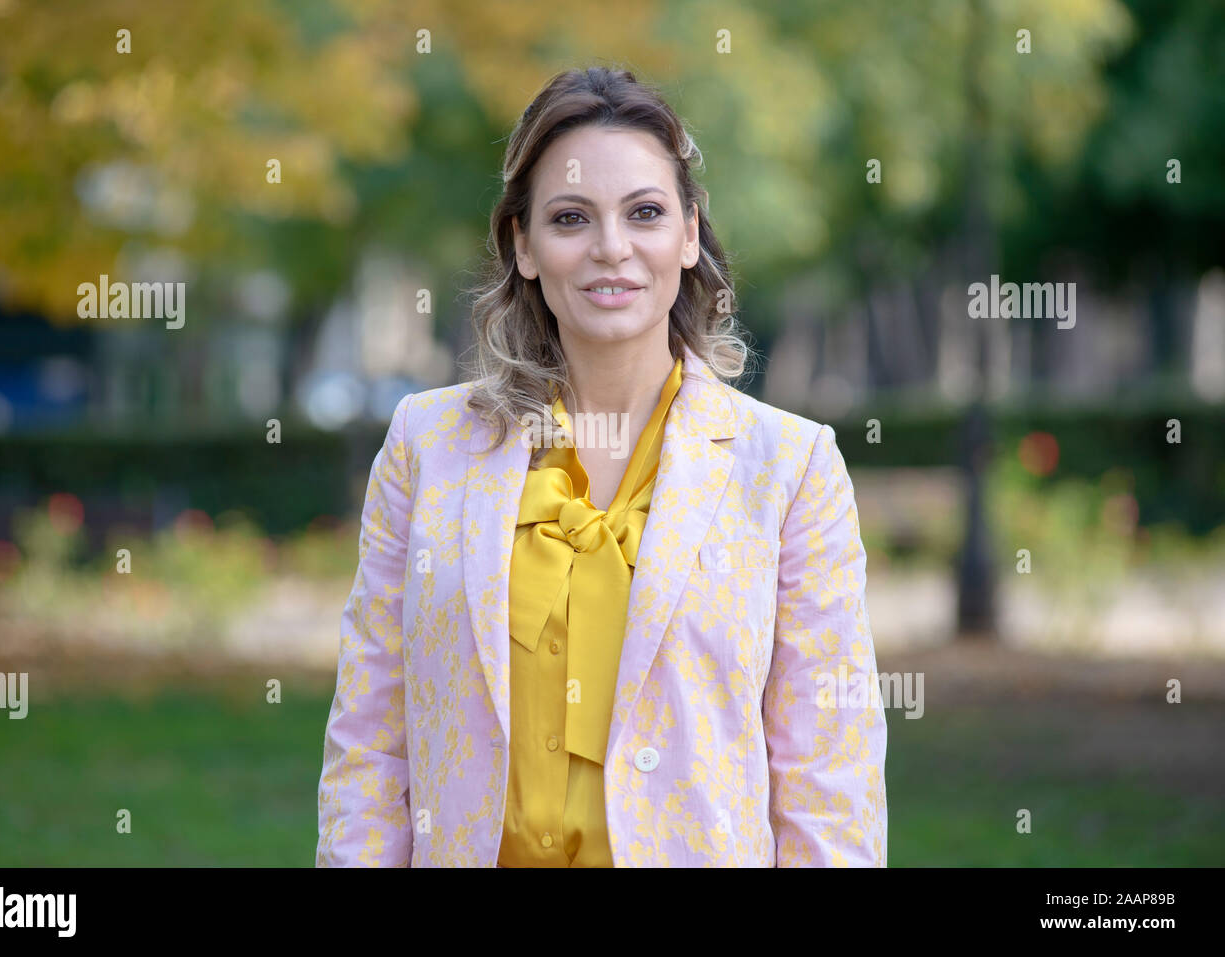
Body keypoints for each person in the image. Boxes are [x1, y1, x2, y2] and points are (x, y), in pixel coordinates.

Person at [316, 65, 886, 867]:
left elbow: (830, 780)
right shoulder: (426, 445)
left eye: (645, 213)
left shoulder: (790, 469)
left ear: (688, 233)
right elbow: (369, 747)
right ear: (523, 244)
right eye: (571, 217)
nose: (611, 248)